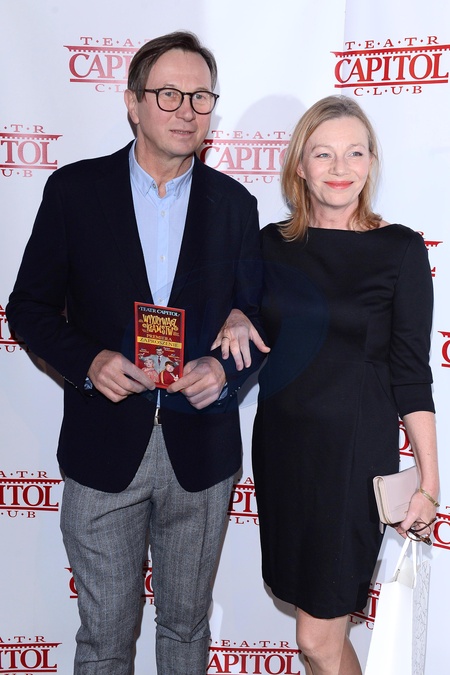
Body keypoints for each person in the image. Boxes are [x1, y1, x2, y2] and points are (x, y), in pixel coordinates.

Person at [6, 31, 266, 675]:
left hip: (200, 454)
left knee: (186, 629)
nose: (187, 110)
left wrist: (223, 371)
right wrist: (88, 361)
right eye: (169, 94)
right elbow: (29, 308)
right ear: (133, 103)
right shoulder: (74, 192)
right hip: (102, 446)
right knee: (104, 639)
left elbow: (258, 323)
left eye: (201, 96)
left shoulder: (235, 205)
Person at [214, 95, 439, 675]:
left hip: (352, 463)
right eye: (324, 153)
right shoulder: (269, 245)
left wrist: (430, 481)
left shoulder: (400, 249)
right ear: (300, 165)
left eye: (355, 153)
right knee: (320, 636)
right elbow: (244, 319)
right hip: (284, 456)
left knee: (316, 639)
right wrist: (236, 314)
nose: (341, 167)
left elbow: (412, 373)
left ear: (371, 162)